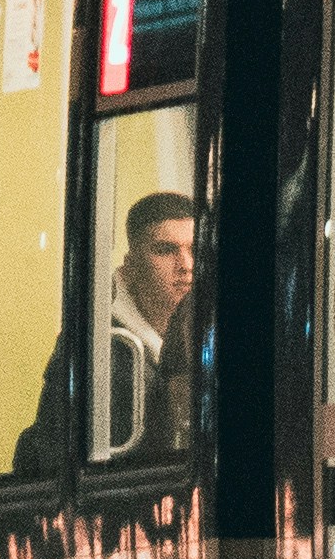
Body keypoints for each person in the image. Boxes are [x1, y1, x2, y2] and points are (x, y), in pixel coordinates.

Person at [22, 184, 203, 474]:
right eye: (165, 250)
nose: (186, 265)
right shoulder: (96, 348)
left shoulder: (203, 334)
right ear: (130, 266)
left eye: (196, 250)